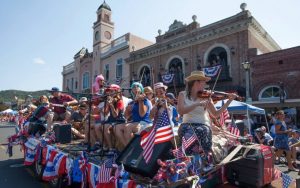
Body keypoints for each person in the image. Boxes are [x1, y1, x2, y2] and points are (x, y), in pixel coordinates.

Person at [177, 71, 237, 156]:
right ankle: (186, 157)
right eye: (203, 82)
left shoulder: (206, 96)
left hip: (202, 125)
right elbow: (181, 111)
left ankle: (205, 158)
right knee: (183, 130)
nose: (205, 85)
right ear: (197, 82)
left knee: (201, 131)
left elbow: (216, 114)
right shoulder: (182, 94)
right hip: (187, 124)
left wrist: (229, 101)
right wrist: (197, 104)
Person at [123, 82, 152, 146]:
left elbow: (142, 115)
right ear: (132, 90)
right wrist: (127, 110)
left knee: (127, 127)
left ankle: (131, 148)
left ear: (141, 89)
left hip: (144, 123)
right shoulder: (132, 102)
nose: (135, 88)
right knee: (117, 128)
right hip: (135, 123)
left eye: (137, 86)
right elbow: (126, 117)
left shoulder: (145, 100)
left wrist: (140, 101)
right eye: (133, 87)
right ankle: (125, 148)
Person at [102, 84, 126, 153]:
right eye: (109, 91)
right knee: (100, 126)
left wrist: (111, 105)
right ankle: (106, 146)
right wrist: (107, 104)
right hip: (111, 120)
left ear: (116, 92)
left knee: (106, 128)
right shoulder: (110, 101)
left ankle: (111, 148)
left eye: (111, 91)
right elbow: (105, 113)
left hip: (118, 120)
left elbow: (116, 115)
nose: (109, 93)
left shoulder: (119, 101)